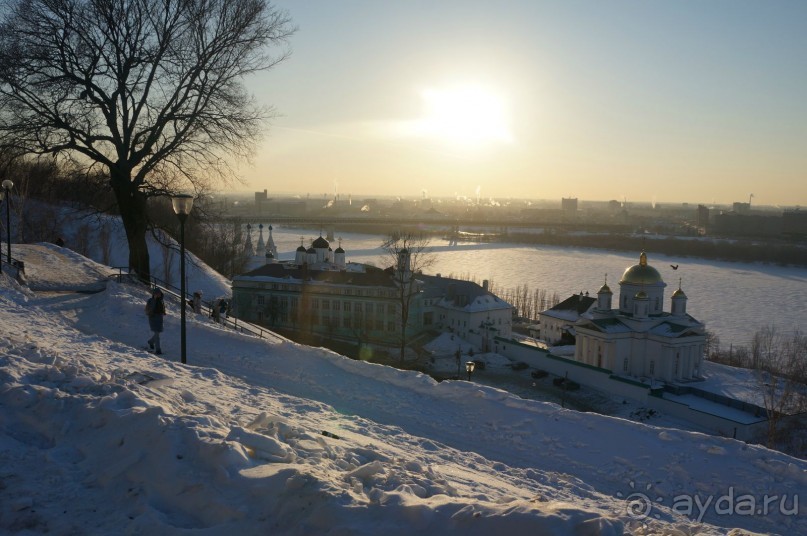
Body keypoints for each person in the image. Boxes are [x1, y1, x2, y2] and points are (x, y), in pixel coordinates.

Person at [145, 288, 166, 355]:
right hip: (153, 318)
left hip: (160, 318)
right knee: (157, 334)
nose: (158, 294)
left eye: (159, 293)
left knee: (158, 332)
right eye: (157, 293)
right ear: (154, 294)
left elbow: (162, 308)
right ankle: (158, 350)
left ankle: (151, 342)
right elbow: (147, 309)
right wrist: (150, 313)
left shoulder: (161, 300)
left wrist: (164, 312)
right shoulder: (151, 300)